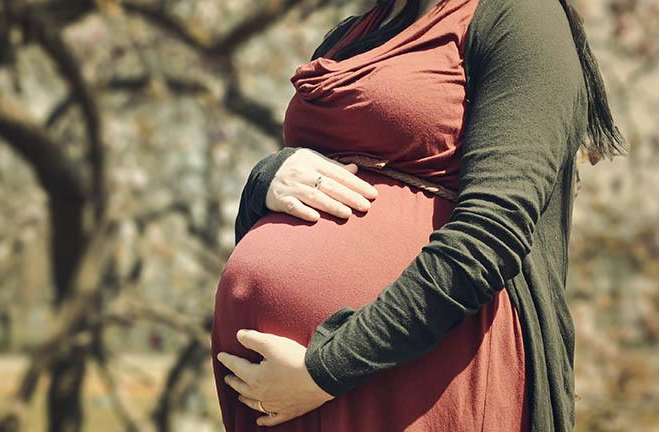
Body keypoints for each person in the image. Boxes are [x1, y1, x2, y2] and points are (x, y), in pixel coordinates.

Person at [211, 0, 627, 431]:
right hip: (288, 389)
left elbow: (492, 232)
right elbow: (305, 193)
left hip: (413, 372)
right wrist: (265, 180)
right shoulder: (352, 35)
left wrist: (326, 370)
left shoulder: (520, 16)